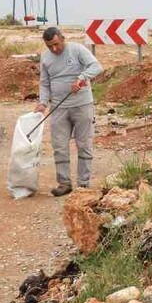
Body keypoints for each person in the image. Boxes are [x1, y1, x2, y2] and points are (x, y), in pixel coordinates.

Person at [37, 27, 103, 196]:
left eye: (56, 44)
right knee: (59, 146)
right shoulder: (45, 58)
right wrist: (43, 103)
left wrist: (81, 78)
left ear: (63, 38)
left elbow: (96, 66)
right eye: (49, 46)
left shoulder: (77, 50)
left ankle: (83, 184)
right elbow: (44, 83)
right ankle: (64, 183)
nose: (54, 49)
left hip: (82, 105)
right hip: (59, 108)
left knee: (84, 144)